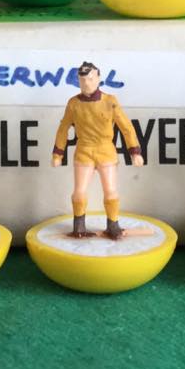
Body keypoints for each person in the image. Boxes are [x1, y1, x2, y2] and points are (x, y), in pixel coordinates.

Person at [51, 61, 143, 240]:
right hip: (84, 150)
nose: (86, 83)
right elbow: (63, 128)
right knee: (79, 191)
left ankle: (113, 225)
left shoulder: (110, 101)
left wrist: (135, 151)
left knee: (111, 191)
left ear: (98, 79)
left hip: (106, 150)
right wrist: (57, 153)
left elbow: (126, 127)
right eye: (82, 80)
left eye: (90, 79)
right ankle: (79, 226)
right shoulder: (74, 103)